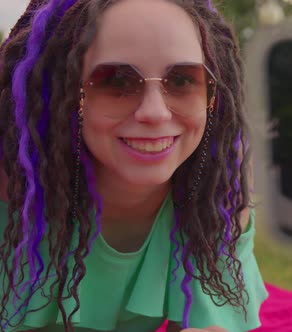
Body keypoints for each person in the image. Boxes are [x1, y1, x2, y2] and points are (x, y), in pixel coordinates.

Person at [0, 0, 267, 331]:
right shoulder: (11, 192)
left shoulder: (217, 200)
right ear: (59, 90)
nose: (155, 113)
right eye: (115, 81)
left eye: (183, 80)